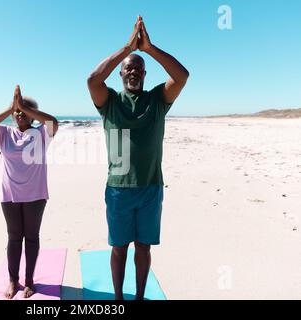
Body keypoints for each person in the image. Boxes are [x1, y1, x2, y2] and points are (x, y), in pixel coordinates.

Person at [87, 16, 189, 300]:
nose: (133, 72)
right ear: (120, 74)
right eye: (128, 69)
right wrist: (127, 48)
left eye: (138, 69)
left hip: (150, 187)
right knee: (119, 247)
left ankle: (140, 296)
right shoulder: (110, 102)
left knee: (144, 247)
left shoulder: (157, 100)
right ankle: (119, 298)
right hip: (118, 188)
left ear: (145, 75)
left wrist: (149, 49)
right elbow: (92, 79)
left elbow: (182, 76)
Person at [0, 85, 58, 299]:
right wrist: (10, 107)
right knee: (14, 238)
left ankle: (30, 280)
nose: (20, 113)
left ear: (33, 115)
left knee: (31, 238)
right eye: (18, 111)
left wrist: (24, 106)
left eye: (25, 110)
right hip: (10, 196)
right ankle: (13, 280)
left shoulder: (41, 133)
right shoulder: (5, 133)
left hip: (36, 196)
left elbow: (53, 122)